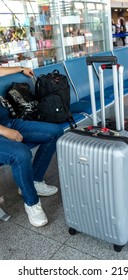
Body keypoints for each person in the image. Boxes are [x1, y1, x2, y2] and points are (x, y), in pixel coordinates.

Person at [0, 66, 63, 227]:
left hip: (8, 122)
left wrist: (21, 68)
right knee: (20, 154)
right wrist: (5, 131)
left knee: (55, 132)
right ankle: (32, 202)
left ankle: (34, 180)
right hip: (3, 129)